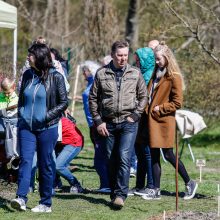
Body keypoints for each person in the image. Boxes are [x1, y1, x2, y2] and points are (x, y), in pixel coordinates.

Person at [89, 40, 148, 208]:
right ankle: (114, 192)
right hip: (108, 123)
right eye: (119, 55)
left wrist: (136, 114)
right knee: (110, 159)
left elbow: (144, 96)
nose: (123, 59)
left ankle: (121, 195)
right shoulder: (101, 73)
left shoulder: (135, 73)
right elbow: (93, 99)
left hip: (128, 122)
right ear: (113, 55)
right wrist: (98, 121)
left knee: (124, 156)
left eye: (125, 55)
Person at [11, 43, 68, 213]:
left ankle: (45, 203)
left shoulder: (56, 76)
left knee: (45, 164)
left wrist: (45, 117)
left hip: (47, 128)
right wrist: (21, 113)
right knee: (26, 161)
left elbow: (64, 102)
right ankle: (21, 198)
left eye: (31, 55)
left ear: (40, 57)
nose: (28, 58)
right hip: (26, 128)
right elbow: (22, 97)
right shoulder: (28, 74)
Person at [140, 41, 198, 200]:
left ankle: (189, 182)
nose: (156, 62)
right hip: (151, 121)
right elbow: (150, 94)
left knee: (168, 155)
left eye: (158, 59)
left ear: (167, 57)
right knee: (153, 155)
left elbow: (177, 103)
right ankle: (155, 190)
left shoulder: (174, 77)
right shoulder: (155, 72)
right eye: (155, 59)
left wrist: (161, 108)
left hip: (164, 122)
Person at [128, 44, 158, 196]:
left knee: (146, 153)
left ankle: (150, 184)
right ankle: (139, 185)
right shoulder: (140, 74)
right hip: (137, 118)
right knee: (139, 152)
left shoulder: (151, 76)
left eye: (139, 60)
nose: (137, 63)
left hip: (145, 118)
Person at [81, 61, 110, 192]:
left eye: (85, 71)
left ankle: (107, 185)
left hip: (98, 123)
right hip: (93, 124)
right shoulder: (90, 83)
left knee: (99, 159)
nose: (83, 74)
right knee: (100, 157)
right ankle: (105, 184)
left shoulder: (97, 82)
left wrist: (98, 122)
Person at [55, 115, 84, 193]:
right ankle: (56, 183)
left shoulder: (53, 118)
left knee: (58, 166)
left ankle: (76, 184)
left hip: (74, 142)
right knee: (51, 161)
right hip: (61, 142)